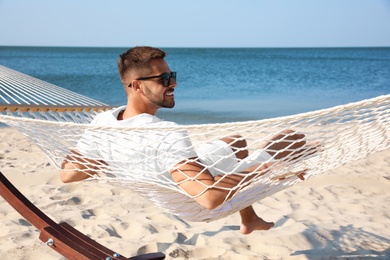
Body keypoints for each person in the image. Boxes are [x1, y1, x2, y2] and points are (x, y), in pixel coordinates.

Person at [60, 46, 312, 235]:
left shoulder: (105, 121)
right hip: (197, 205)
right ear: (137, 86)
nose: (174, 83)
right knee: (292, 139)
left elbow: (68, 174)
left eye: (172, 75)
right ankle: (257, 186)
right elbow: (210, 197)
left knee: (236, 142)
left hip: (171, 178)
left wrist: (115, 160)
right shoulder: (166, 134)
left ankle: (249, 218)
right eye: (165, 79)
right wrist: (268, 168)